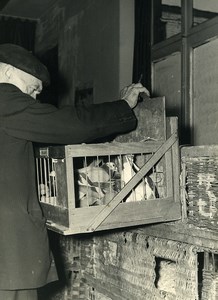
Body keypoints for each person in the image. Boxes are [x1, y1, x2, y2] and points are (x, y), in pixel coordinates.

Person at [0, 43, 149, 300]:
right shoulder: (4, 98)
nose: (34, 98)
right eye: (32, 88)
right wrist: (123, 105)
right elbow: (68, 124)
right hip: (8, 249)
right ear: (8, 72)